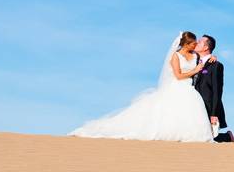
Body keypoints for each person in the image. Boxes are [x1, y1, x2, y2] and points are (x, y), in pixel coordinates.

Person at [70, 31, 213, 142]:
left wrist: (213, 57)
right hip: (177, 87)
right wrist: (194, 71)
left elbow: (205, 58)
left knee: (188, 113)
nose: (195, 46)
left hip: (188, 89)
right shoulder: (175, 56)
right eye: (193, 44)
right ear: (186, 44)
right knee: (170, 113)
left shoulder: (194, 55)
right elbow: (178, 75)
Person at [192, 34, 226, 138]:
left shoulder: (216, 65)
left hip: (207, 106)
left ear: (206, 47)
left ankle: (227, 137)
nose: (196, 43)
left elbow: (217, 90)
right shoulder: (192, 61)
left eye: (200, 42)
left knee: (205, 137)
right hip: (191, 103)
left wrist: (214, 114)